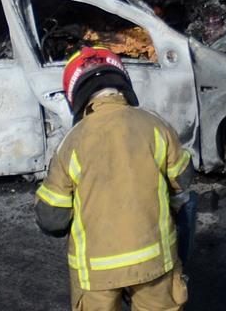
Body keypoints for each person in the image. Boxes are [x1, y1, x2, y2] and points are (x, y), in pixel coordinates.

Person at [34, 48, 191, 310]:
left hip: (97, 272)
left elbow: (52, 219)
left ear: (77, 94)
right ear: (122, 83)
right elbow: (184, 179)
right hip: (153, 261)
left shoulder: (72, 142)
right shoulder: (155, 126)